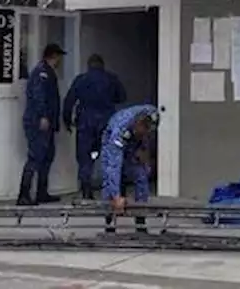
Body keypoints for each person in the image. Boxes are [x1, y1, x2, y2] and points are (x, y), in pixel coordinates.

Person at [62, 54, 127, 199]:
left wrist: (67, 120)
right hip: (106, 121)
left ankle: (86, 189)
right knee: (109, 155)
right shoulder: (111, 78)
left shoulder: (81, 80)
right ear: (102, 65)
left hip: (85, 122)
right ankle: (111, 189)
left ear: (88, 65)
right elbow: (122, 97)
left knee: (85, 157)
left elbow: (69, 101)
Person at [99, 104, 158, 233]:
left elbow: (147, 141)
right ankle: (110, 224)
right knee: (110, 181)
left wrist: (144, 156)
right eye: (141, 133)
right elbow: (113, 167)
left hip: (133, 148)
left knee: (141, 175)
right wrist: (116, 196)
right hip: (111, 148)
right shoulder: (119, 131)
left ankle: (140, 221)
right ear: (135, 128)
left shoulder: (152, 115)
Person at [17, 43, 64, 206]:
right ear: (53, 56)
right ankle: (23, 194)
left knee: (47, 157)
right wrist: (43, 116)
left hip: (47, 122)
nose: (59, 61)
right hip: (38, 122)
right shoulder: (41, 72)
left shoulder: (48, 72)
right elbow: (39, 96)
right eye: (58, 57)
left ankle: (41, 192)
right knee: (35, 157)